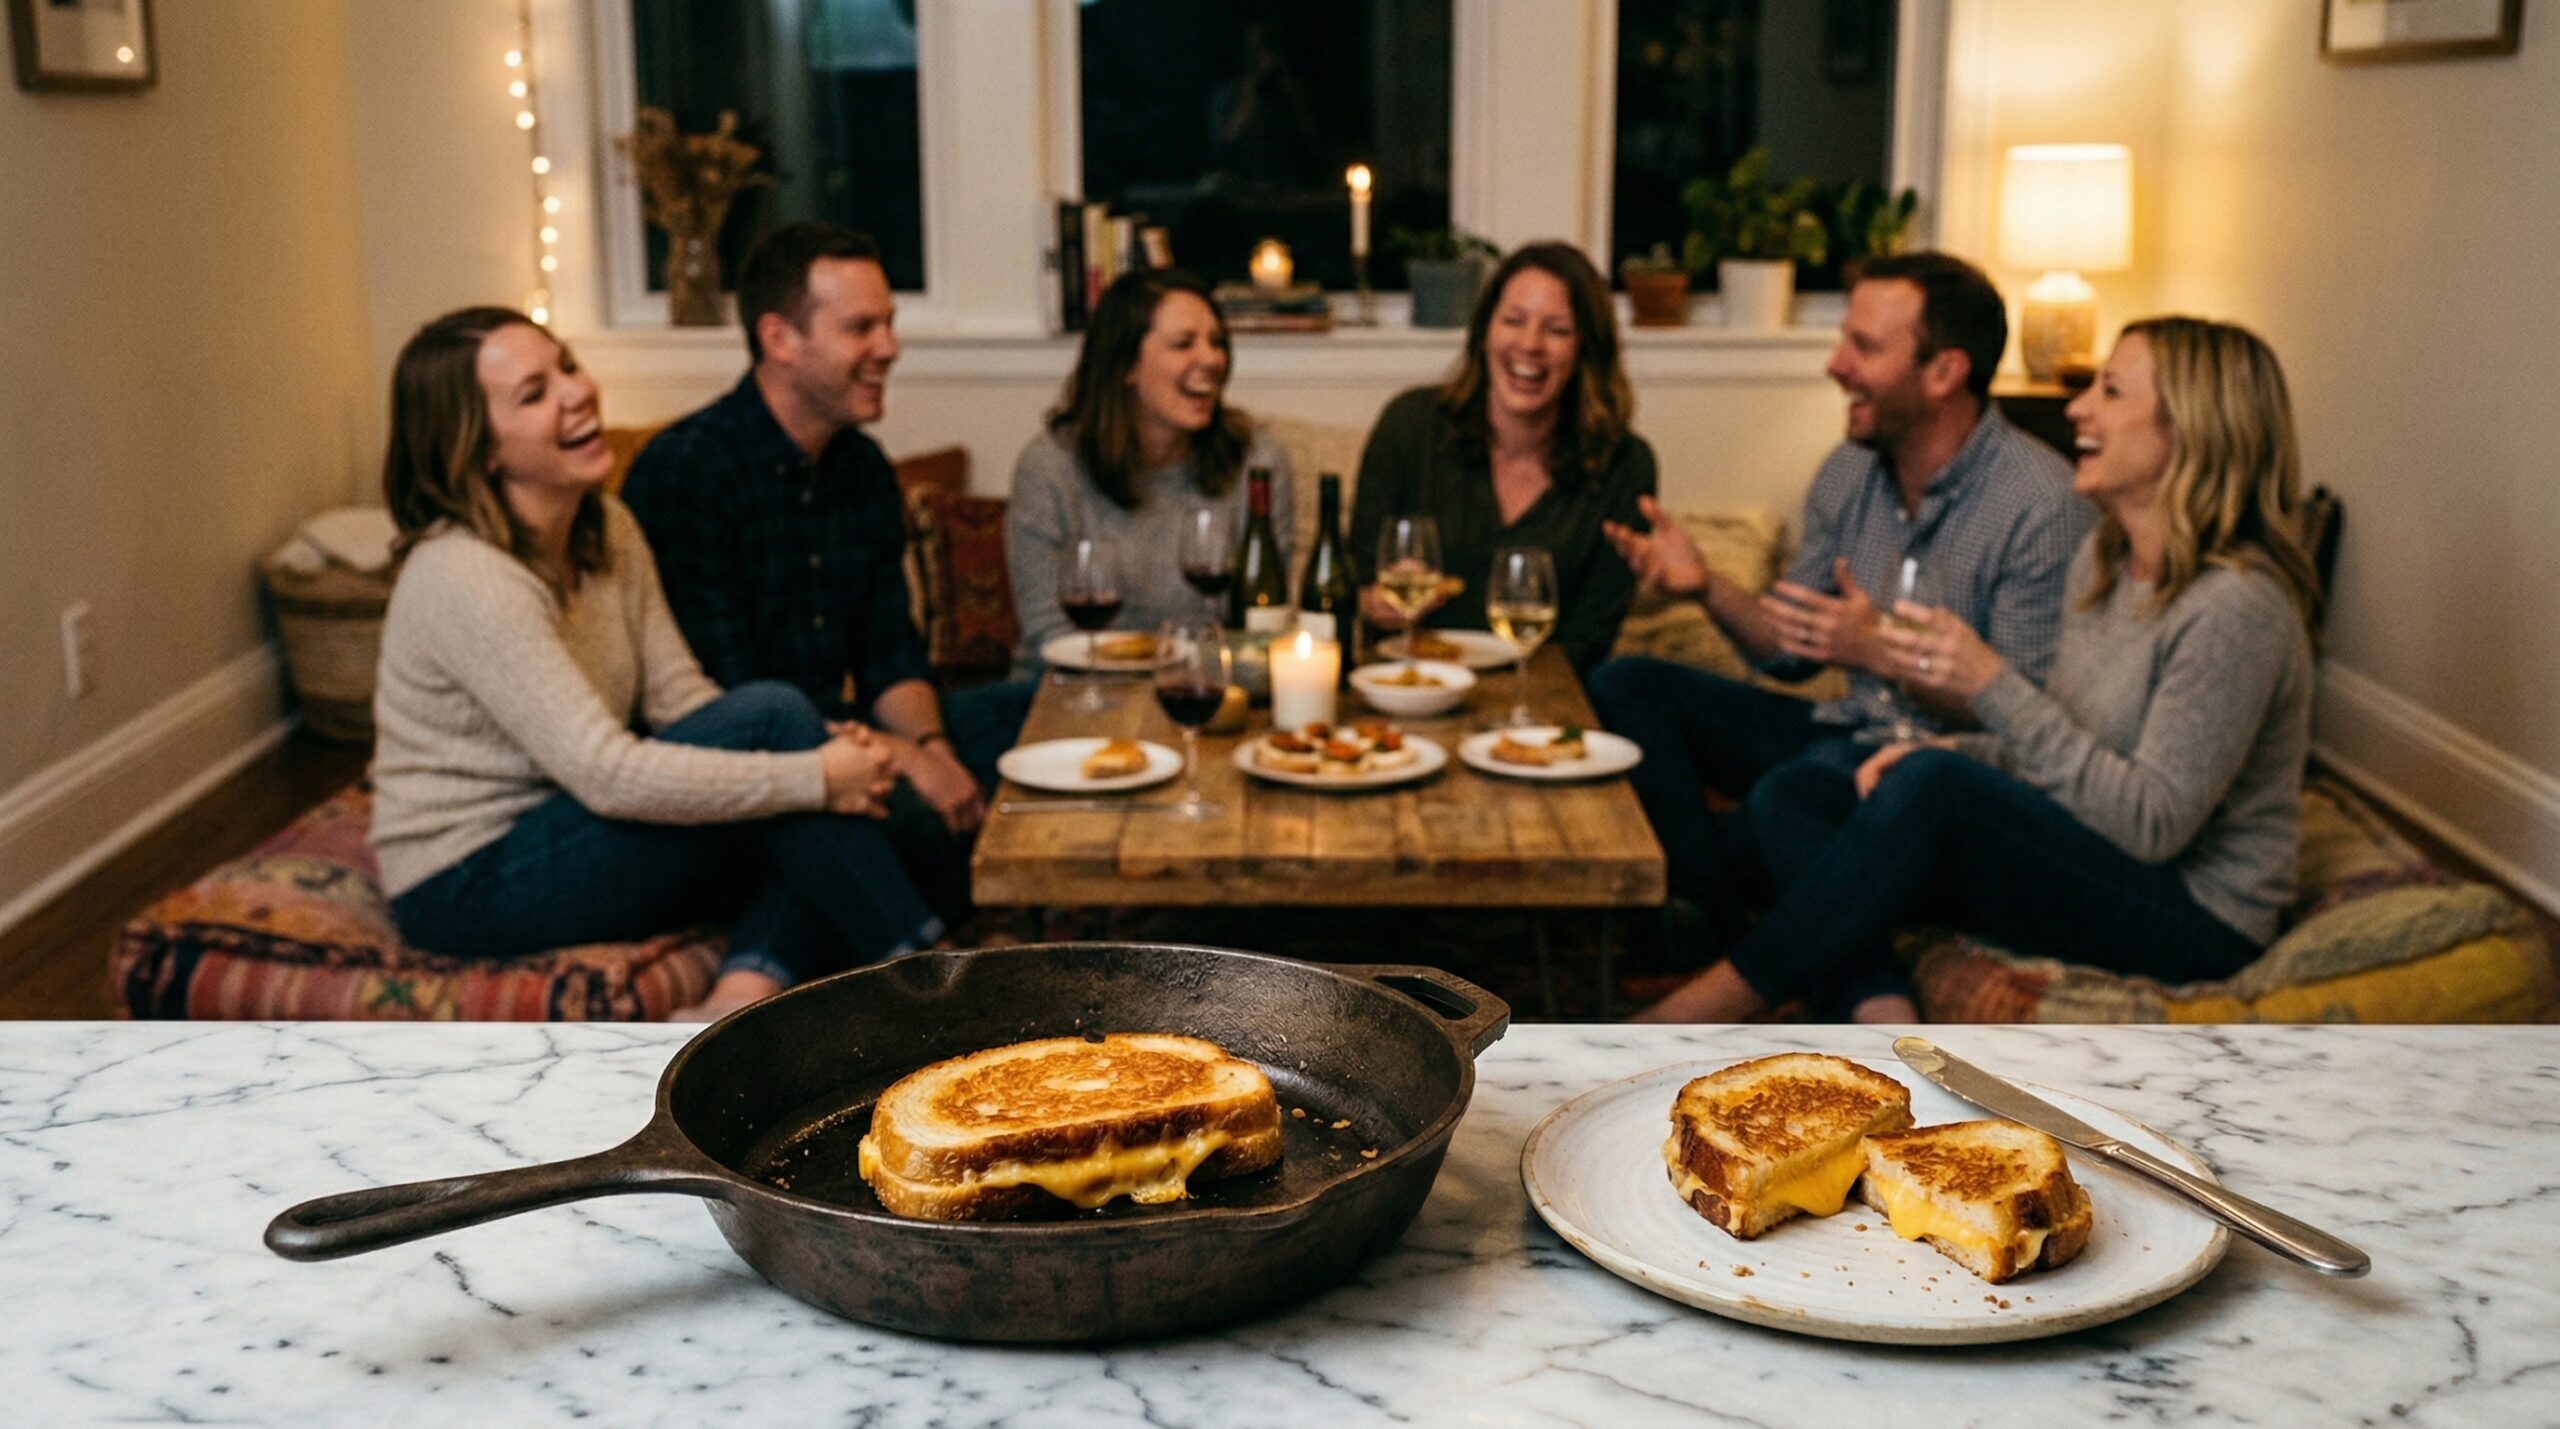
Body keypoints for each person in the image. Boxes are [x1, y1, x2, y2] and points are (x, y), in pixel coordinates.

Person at [1634, 316, 2323, 1023]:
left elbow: (2151, 824)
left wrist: (1989, 689)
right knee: (1801, 792)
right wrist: (1945, 748)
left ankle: (1716, 998)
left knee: (1933, 788)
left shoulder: (2237, 606)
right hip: (2093, 846)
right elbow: (2061, 753)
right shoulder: (2106, 564)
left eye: (2110, 391)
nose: (2077, 407)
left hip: (2195, 913)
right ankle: (1878, 1003)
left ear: (2193, 429)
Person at [369, 306, 935, 1022]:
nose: (576, 392)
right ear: (480, 449)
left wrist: (828, 748)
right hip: (468, 879)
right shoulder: (463, 574)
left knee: (790, 772)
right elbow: (607, 773)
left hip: (570, 826)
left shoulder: (608, 527)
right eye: (534, 393)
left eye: (567, 365)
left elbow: (686, 703)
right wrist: (813, 774)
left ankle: (739, 994)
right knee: (789, 759)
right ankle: (930, 982)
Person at [1589, 251, 2086, 937]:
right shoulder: (1850, 469)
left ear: (1944, 372)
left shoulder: (2039, 503)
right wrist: (1705, 585)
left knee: (1783, 801)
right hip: (1844, 732)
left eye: (1864, 346)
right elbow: (1789, 646)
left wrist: (1882, 652)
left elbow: (2027, 718)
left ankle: (1730, 913)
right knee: (1629, 683)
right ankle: (1703, 909)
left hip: (1939, 771)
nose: (1835, 364)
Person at [621, 223, 1029, 927]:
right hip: (747, 770)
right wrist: (904, 761)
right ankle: (921, 959)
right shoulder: (687, 469)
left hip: (853, 734)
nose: (890, 349)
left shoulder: (862, 466)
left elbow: (888, 649)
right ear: (780, 338)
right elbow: (730, 699)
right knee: (907, 816)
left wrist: (929, 747)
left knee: (1030, 714)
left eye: (890, 324)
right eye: (861, 328)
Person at [1347, 241, 1657, 673]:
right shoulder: (1409, 425)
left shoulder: (1625, 465)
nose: (1530, 345)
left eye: (1558, 329)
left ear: (1586, 349)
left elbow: (1589, 643)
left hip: (1544, 704)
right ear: (1485, 332)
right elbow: (1353, 584)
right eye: (1513, 320)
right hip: (1412, 688)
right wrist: (1372, 604)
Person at [1005, 267, 1295, 674]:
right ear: (1126, 365)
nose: (1211, 359)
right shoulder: (1050, 468)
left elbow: (1267, 623)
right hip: (1066, 697)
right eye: (1183, 344)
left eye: (1217, 343)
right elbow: (1049, 635)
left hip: (1201, 690)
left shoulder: (1258, 462)